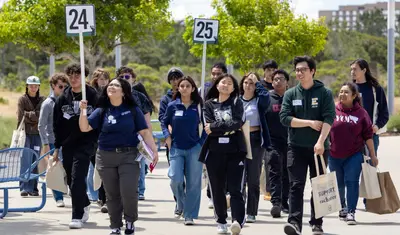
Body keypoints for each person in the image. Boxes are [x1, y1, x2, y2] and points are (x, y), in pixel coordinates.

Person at [79, 77, 159, 235]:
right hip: (105, 156)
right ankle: (115, 226)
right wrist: (82, 111)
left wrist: (154, 150)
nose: (112, 87)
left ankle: (130, 221)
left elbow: (144, 131)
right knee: (112, 194)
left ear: (123, 92)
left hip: (129, 156)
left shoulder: (133, 109)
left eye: (116, 85)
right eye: (110, 85)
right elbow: (85, 127)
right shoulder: (102, 110)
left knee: (128, 191)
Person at [280, 56, 335, 235]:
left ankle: (317, 223)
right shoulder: (290, 94)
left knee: (318, 186)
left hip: (318, 149)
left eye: (303, 69)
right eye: (297, 70)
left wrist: (320, 142)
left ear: (312, 71)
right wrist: (309, 123)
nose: (299, 73)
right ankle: (294, 223)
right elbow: (285, 118)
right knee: (296, 185)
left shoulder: (324, 93)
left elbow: (329, 118)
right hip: (295, 147)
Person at [199, 74, 246, 235]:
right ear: (217, 85)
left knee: (235, 189)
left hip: (235, 150)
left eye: (229, 83)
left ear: (234, 88)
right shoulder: (208, 105)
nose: (225, 85)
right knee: (217, 189)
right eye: (223, 82)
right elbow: (208, 126)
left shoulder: (236, 102)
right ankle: (221, 221)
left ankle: (238, 221)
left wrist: (216, 127)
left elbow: (238, 122)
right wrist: (224, 127)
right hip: (214, 151)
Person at [53, 63, 98, 229]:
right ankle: (84, 203)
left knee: (79, 178)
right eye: (70, 75)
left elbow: (100, 120)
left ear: (84, 77)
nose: (73, 79)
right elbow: (57, 124)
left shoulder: (93, 96)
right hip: (68, 144)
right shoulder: (63, 98)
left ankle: (76, 216)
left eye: (77, 75)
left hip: (87, 143)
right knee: (72, 180)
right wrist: (57, 147)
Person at [329, 82, 378, 225]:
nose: (342, 95)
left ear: (354, 96)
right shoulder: (332, 110)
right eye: (341, 91)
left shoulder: (361, 113)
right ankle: (342, 207)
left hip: (354, 155)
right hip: (334, 154)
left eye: (346, 92)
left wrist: (373, 156)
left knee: (351, 182)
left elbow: (368, 136)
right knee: (338, 183)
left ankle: (351, 211)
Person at [162, 76, 205, 225]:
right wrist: (167, 136)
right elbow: (164, 122)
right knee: (175, 179)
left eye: (188, 86)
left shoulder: (199, 106)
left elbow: (206, 126)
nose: (184, 88)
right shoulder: (172, 105)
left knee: (193, 183)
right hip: (176, 148)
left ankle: (189, 214)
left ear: (193, 88)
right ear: (178, 89)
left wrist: (201, 142)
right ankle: (180, 203)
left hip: (195, 148)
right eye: (182, 86)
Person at [116, 66, 154, 201]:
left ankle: (140, 190)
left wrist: (149, 140)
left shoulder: (140, 97)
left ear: (133, 79)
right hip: (119, 137)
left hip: (138, 137)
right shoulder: (113, 96)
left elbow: (147, 120)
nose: (125, 79)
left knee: (139, 164)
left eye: (127, 77)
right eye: (121, 77)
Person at [238, 72, 271, 223]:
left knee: (253, 177)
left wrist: (258, 83)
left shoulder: (259, 101)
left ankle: (251, 211)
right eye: (246, 83)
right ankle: (239, 209)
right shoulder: (236, 101)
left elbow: (266, 98)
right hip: (239, 139)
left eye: (251, 83)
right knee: (239, 177)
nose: (248, 86)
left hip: (256, 139)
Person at [38, 73, 68, 207]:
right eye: (60, 86)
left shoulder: (67, 101)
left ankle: (68, 190)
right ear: (53, 86)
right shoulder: (47, 104)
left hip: (67, 140)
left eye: (65, 87)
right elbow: (41, 125)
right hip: (52, 141)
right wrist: (45, 143)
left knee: (68, 167)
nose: (63, 89)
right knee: (55, 169)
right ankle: (58, 197)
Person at [202, 62, 228, 209]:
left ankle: (223, 194)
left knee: (224, 167)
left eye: (218, 74)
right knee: (211, 166)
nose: (215, 76)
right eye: (213, 73)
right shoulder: (204, 89)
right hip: (209, 133)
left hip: (226, 134)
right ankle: (211, 195)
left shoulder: (230, 89)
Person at [350, 59, 389, 155]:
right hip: (351, 135)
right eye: (351, 69)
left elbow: (384, 113)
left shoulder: (376, 89)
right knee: (353, 168)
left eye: (355, 69)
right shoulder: (349, 88)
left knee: (370, 168)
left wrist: (376, 126)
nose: (352, 72)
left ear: (364, 70)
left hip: (370, 136)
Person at [266, 69, 290, 218]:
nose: (278, 81)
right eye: (275, 79)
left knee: (288, 173)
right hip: (272, 142)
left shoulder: (292, 97)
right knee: (275, 171)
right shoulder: (267, 98)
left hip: (291, 141)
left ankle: (284, 202)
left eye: (281, 79)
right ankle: (276, 203)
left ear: (287, 82)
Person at [17, 75, 45, 197]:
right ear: (27, 86)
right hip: (25, 134)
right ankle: (24, 187)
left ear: (38, 86)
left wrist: (30, 115)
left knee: (35, 160)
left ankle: (33, 188)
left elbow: (43, 117)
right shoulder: (22, 99)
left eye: (35, 85)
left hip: (38, 134)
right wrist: (35, 116)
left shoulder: (43, 100)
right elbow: (21, 116)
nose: (33, 87)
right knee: (26, 160)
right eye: (31, 85)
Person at [88, 68, 110, 212]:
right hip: (91, 136)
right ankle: (99, 196)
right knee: (97, 168)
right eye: (100, 79)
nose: (103, 81)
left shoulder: (111, 93)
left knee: (106, 169)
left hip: (106, 135)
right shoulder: (90, 94)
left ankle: (106, 199)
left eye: (105, 79)